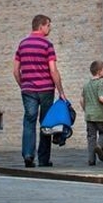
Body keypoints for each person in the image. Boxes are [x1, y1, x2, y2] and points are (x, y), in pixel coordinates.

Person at [13, 14, 66, 167]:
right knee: (46, 123)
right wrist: (61, 91)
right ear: (41, 26)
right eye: (48, 25)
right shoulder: (47, 45)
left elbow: (15, 71)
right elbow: (53, 70)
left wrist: (23, 85)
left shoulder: (22, 45)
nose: (50, 28)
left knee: (29, 121)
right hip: (46, 89)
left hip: (28, 89)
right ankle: (43, 159)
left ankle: (28, 155)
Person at [80, 60, 103, 165]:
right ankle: (100, 146)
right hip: (100, 115)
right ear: (98, 71)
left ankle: (91, 160)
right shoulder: (100, 83)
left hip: (89, 115)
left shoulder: (86, 84)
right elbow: (101, 98)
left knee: (91, 137)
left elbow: (81, 100)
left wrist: (86, 110)